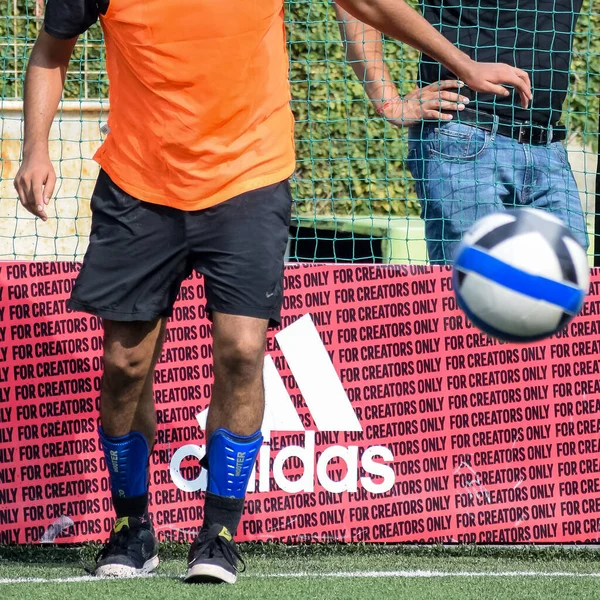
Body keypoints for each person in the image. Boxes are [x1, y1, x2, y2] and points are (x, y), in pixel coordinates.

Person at [14, 0, 530, 584]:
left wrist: (460, 64)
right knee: (125, 364)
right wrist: (35, 148)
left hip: (250, 180)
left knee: (241, 350)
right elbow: (52, 49)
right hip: (138, 185)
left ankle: (219, 531)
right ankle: (131, 528)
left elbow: (364, 3)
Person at [335, 1, 588, 263]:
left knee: (567, 288)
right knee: (470, 291)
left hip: (548, 150)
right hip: (463, 141)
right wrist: (387, 101)